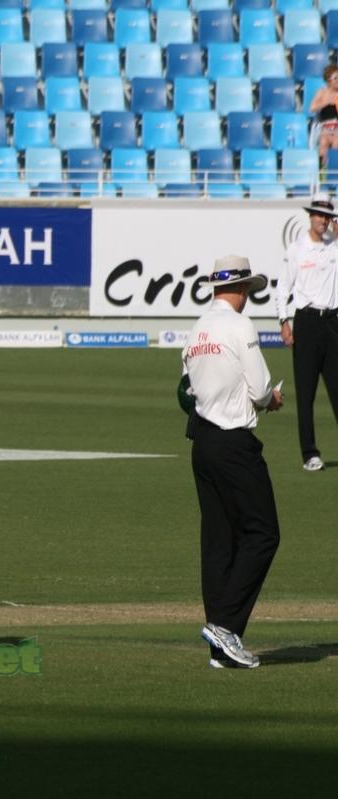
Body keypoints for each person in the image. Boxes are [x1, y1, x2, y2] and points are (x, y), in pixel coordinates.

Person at [183, 256, 283, 669]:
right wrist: (272, 399)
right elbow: (260, 389)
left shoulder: (196, 329)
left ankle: (220, 647)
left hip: (201, 442)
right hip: (233, 442)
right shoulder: (239, 325)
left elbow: (187, 388)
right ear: (243, 290)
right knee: (263, 534)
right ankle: (225, 626)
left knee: (219, 540)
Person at [275, 193, 338, 471]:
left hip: (333, 322)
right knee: (306, 393)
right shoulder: (296, 248)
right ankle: (309, 453)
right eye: (319, 214)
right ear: (310, 216)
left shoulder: (335, 246)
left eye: (328, 215)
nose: (324, 220)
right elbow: (282, 288)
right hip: (307, 322)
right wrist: (283, 321)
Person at [310, 65, 338, 163]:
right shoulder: (322, 93)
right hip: (325, 128)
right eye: (335, 78)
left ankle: (334, 171)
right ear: (328, 80)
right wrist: (325, 102)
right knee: (323, 143)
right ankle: (322, 171)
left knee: (336, 144)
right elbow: (312, 108)